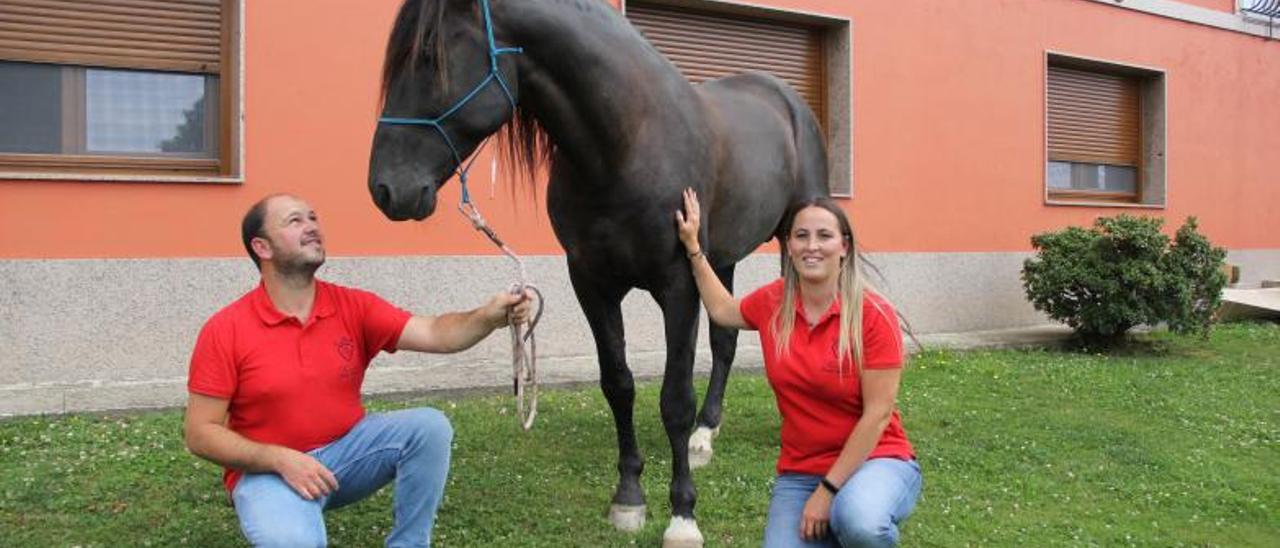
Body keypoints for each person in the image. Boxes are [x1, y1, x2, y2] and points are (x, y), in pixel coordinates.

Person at [184, 193, 532, 547]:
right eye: (294, 221)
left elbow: (435, 333)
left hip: (347, 456)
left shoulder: (352, 305)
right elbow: (200, 433)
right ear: (263, 247)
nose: (312, 228)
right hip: (267, 473)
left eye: (313, 218)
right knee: (294, 542)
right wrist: (277, 459)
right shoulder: (226, 329)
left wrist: (488, 317)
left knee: (429, 427)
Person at [674, 188, 921, 547]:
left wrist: (827, 493)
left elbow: (878, 416)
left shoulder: (873, 315)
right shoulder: (774, 302)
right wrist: (694, 248)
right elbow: (723, 310)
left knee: (860, 522)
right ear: (788, 246)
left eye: (825, 236)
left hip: (877, 460)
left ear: (844, 247)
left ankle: (847, 519)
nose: (812, 246)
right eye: (801, 236)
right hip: (801, 470)